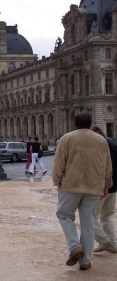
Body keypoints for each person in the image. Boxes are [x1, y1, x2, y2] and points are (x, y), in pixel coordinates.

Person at [53, 113, 112, 271]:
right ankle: (85, 261)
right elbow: (108, 166)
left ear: (75, 123)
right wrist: (106, 186)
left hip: (71, 185)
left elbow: (59, 162)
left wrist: (57, 180)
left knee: (64, 215)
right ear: (90, 123)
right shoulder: (101, 140)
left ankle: (74, 246)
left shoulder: (67, 138)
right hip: (94, 186)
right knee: (88, 224)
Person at [90, 126, 117, 253]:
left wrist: (103, 187)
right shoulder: (112, 144)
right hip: (113, 186)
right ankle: (112, 243)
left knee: (90, 215)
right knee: (107, 216)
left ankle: (104, 240)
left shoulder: (101, 146)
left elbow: (102, 168)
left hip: (103, 187)